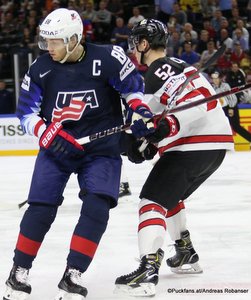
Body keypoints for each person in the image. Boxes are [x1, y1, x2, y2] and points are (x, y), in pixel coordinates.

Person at [3, 8, 158, 300]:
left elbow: (132, 90)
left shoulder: (109, 58)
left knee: (98, 206)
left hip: (100, 150)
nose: (49, 47)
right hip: (57, 148)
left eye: (56, 41)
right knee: (40, 207)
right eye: (46, 41)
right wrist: (46, 133)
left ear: (74, 39)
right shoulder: (40, 69)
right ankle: (18, 273)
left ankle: (73, 274)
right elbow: (25, 112)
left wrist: (139, 110)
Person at [114, 18, 234, 297]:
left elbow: (202, 98)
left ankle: (147, 267)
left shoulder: (158, 69)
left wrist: (168, 126)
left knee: (152, 201)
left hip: (194, 144)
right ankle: (184, 251)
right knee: (169, 196)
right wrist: (143, 141)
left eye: (136, 42)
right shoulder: (176, 69)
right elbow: (151, 124)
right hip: (213, 147)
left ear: (144, 44)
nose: (133, 48)